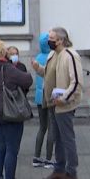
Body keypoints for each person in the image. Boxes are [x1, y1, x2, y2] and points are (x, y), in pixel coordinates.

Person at [0, 40, 34, 179]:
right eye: (5, 50)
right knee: (11, 149)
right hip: (9, 110)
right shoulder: (7, 67)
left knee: (0, 146)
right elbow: (27, 80)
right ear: (2, 53)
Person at [43, 26, 84, 179]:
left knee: (67, 139)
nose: (49, 41)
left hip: (64, 105)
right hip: (53, 103)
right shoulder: (54, 54)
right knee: (57, 138)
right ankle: (59, 169)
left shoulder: (70, 55)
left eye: (52, 39)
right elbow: (50, 74)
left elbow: (77, 82)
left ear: (60, 40)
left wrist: (65, 98)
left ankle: (71, 172)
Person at [29, 32, 56, 169]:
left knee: (42, 127)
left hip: (39, 98)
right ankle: (49, 159)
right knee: (52, 128)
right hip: (50, 96)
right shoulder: (53, 57)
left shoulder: (38, 57)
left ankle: (36, 157)